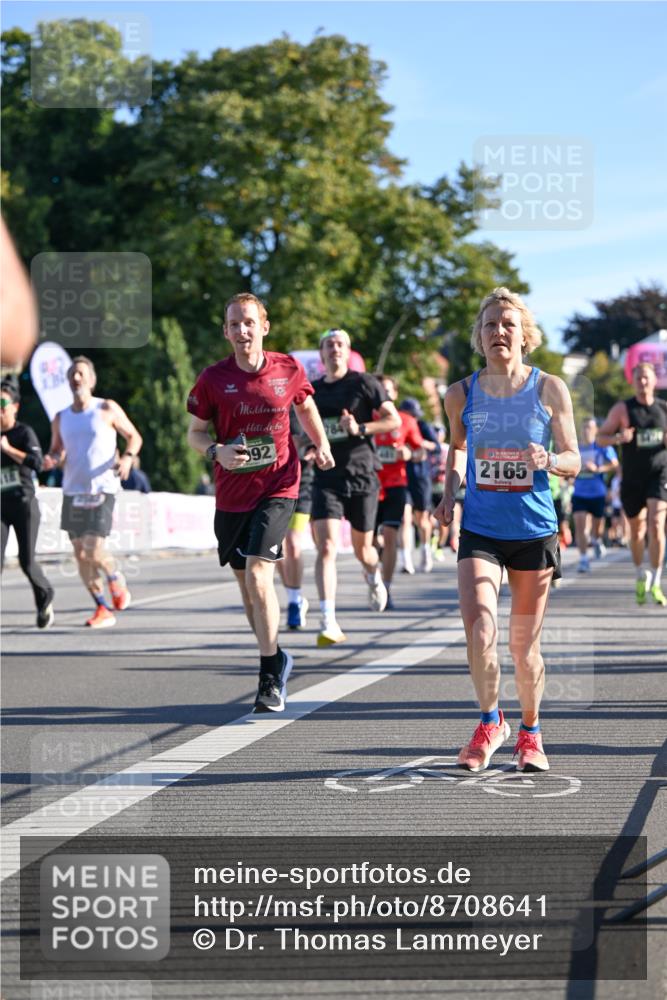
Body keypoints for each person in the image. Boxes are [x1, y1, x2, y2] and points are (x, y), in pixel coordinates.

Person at [434, 287, 580, 774]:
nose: (499, 331)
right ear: (480, 336)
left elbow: (575, 458)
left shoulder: (549, 388)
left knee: (523, 646)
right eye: (491, 324)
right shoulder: (460, 393)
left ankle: (531, 731)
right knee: (479, 628)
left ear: (525, 335)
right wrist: (448, 490)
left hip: (534, 529)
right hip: (480, 526)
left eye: (508, 324)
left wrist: (551, 460)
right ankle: (490, 721)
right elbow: (457, 448)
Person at [187, 293, 333, 713]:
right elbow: (195, 433)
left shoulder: (287, 368)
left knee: (258, 576)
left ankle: (269, 674)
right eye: (234, 324)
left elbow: (306, 405)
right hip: (232, 494)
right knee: (248, 592)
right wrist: (216, 451)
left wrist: (320, 443)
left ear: (263, 327)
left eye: (249, 322)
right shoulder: (213, 379)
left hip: (278, 484)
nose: (242, 330)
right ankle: (278, 654)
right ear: (226, 331)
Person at [311, 329, 401, 645]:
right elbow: (301, 429)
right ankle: (328, 620)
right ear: (321, 353)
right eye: (329, 345)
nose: (335, 349)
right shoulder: (312, 390)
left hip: (363, 474)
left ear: (348, 352)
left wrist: (360, 427)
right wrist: (306, 446)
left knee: (364, 550)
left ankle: (374, 576)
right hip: (326, 476)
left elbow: (393, 421)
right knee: (326, 547)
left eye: (340, 345)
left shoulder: (364, 383)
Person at [43, 357, 141, 628]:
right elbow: (56, 449)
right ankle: (101, 606)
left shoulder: (106, 408)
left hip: (103, 488)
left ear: (92, 380)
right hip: (73, 491)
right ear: (67, 380)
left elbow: (134, 436)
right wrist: (52, 458)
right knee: (80, 554)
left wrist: (128, 457)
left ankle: (114, 576)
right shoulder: (60, 417)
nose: (77, 378)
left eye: (82, 374)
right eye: (73, 374)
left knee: (94, 549)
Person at [597, 362, 667, 605]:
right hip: (632, 478)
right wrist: (619, 437)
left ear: (654, 380)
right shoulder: (622, 409)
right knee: (637, 532)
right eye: (638, 378)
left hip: (659, 474)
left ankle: (657, 581)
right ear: (633, 381)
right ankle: (640, 574)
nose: (643, 382)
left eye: (646, 377)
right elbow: (600, 437)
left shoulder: (663, 409)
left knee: (656, 523)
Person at [1, 380, 55, 627]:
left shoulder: (23, 433)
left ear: (15, 407)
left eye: (3, 404)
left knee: (27, 562)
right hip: (1, 507)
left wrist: (9, 449)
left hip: (24, 504)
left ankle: (45, 598)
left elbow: (37, 462)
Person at [374, 375, 425, 609]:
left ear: (394, 394)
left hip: (396, 484)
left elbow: (420, 452)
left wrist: (408, 454)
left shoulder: (406, 420)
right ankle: (374, 577)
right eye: (379, 390)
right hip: (369, 485)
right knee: (370, 541)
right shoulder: (366, 418)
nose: (384, 394)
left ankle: (386, 586)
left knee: (391, 535)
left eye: (387, 390)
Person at [277, 405, 316, 630]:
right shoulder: (265, 408)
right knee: (276, 549)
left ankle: (294, 601)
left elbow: (317, 440)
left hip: (303, 484)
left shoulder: (304, 408)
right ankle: (295, 597)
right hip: (274, 485)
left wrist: (312, 450)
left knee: (292, 543)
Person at [572, 417, 618, 573]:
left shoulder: (601, 446)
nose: (586, 431)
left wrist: (597, 468)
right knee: (580, 525)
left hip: (598, 493)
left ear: (595, 430)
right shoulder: (576, 447)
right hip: (579, 492)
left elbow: (614, 464)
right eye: (584, 427)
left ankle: (597, 540)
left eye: (589, 427)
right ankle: (584, 559)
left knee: (597, 528)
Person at [399, 398, 439, 572]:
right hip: (401, 476)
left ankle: (425, 552)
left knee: (422, 520)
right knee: (404, 518)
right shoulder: (395, 425)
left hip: (420, 476)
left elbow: (436, 446)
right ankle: (406, 560)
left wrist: (420, 444)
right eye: (411, 415)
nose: (413, 418)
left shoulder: (423, 426)